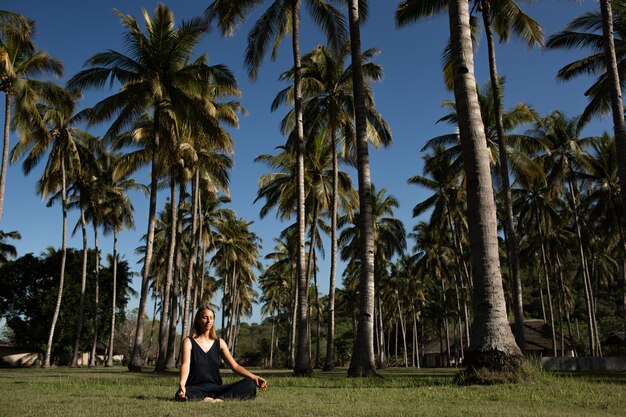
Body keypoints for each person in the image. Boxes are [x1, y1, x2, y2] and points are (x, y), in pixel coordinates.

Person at [176, 306, 267, 402]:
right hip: (196, 388)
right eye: (205, 317)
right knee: (182, 393)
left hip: (217, 388)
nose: (208, 321)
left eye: (211, 318)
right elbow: (185, 365)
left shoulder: (220, 343)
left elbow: (235, 366)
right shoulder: (189, 341)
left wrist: (254, 377)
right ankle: (214, 398)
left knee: (250, 384)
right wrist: (182, 384)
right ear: (198, 320)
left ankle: (216, 399)